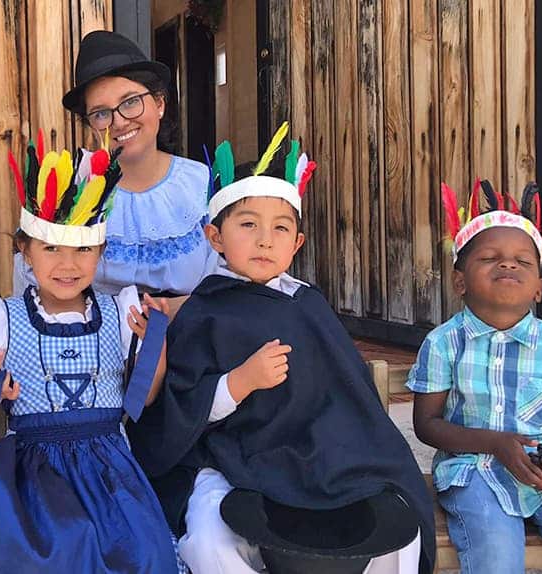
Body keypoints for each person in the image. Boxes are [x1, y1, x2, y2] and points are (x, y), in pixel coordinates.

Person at [128, 124, 435, 574]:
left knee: (397, 530)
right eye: (248, 225)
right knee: (211, 539)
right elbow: (178, 412)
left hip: (329, 459)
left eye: (280, 228)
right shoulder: (203, 312)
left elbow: (348, 400)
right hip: (234, 460)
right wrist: (239, 382)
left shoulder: (309, 305)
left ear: (297, 242)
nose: (264, 239)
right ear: (216, 238)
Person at [0, 135, 184, 573]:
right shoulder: (1, 318)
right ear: (25, 251)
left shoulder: (120, 312)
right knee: (63, 544)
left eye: (83, 249)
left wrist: (153, 360)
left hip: (110, 466)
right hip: (36, 470)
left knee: (141, 550)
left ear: (100, 251)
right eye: (51, 248)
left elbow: (144, 400)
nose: (68, 264)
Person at [406, 180, 542, 574]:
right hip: (473, 472)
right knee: (494, 553)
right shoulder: (444, 344)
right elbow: (426, 425)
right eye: (489, 258)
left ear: (539, 289)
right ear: (460, 282)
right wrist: (496, 444)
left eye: (523, 261)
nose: (507, 264)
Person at [14, 30, 218, 299]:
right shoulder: (67, 190)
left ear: (159, 103)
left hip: (191, 335)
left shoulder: (200, 183)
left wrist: (174, 313)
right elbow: (30, 284)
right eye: (101, 113)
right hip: (90, 338)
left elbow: (229, 279)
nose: (119, 122)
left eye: (130, 102)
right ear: (91, 125)